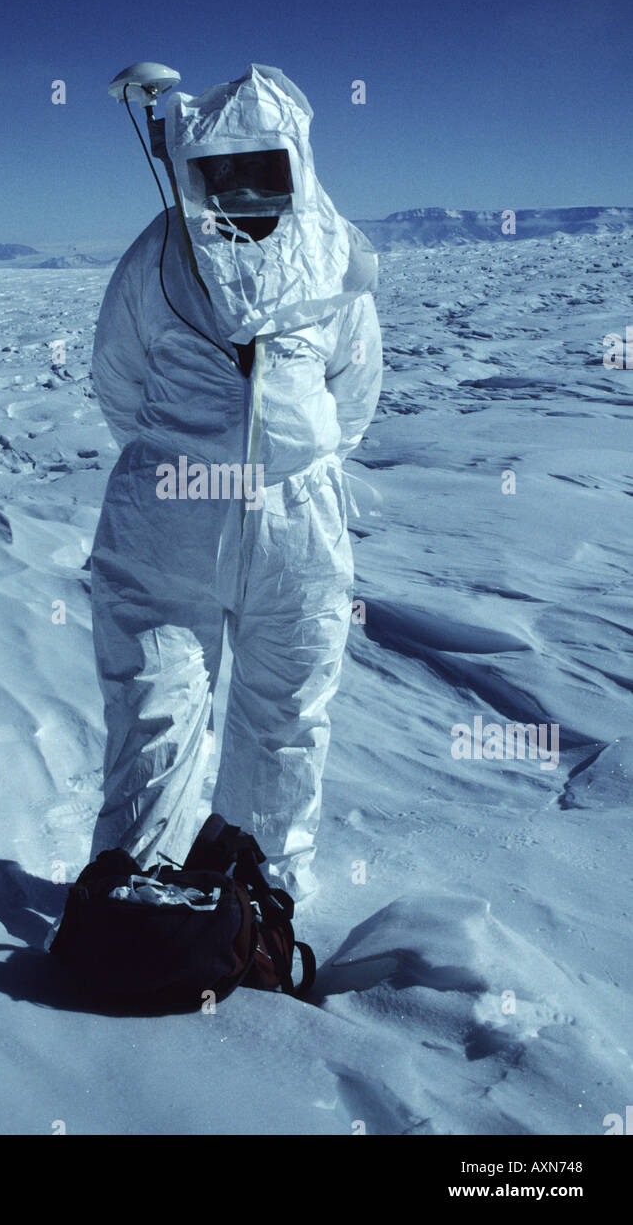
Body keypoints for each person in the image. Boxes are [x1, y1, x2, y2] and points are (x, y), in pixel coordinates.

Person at [87, 63, 382, 904]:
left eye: (263, 167)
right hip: (166, 525)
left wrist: (288, 471)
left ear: (294, 161)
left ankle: (260, 897)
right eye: (228, 168)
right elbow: (120, 383)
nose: (245, 187)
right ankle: (135, 888)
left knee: (286, 712)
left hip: (296, 526)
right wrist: (186, 467)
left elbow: (351, 392)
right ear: (197, 168)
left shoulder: (334, 265)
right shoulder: (156, 259)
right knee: (156, 705)